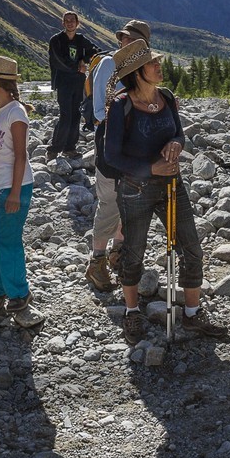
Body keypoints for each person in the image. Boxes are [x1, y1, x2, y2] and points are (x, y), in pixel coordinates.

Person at [107, 40, 228, 344]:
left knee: (191, 247)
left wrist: (177, 143)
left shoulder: (167, 97)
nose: (160, 66)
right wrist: (152, 168)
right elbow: (112, 157)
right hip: (135, 190)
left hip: (173, 186)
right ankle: (132, 312)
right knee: (134, 251)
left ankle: (191, 313)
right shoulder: (121, 108)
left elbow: (177, 132)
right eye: (153, 63)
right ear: (137, 72)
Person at [84, 20, 151, 292]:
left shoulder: (141, 67)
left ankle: (118, 252)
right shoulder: (109, 64)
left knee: (131, 198)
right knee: (110, 201)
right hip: (111, 141)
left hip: (135, 143)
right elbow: (99, 109)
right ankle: (96, 261)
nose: (128, 43)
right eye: (126, 38)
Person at [0, 56, 41, 326]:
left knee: (9, 241)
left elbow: (21, 155)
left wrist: (14, 193)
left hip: (16, 187)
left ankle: (19, 293)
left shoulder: (16, 112)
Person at [47, 11, 99, 160]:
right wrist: (78, 67)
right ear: (62, 23)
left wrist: (86, 59)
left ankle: (70, 148)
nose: (70, 23)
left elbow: (95, 51)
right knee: (65, 114)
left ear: (77, 23)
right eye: (67, 20)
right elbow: (58, 60)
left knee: (76, 114)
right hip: (63, 82)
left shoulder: (81, 39)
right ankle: (53, 149)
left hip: (78, 82)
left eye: (72, 20)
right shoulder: (56, 40)